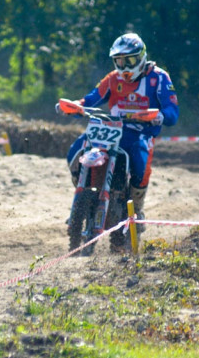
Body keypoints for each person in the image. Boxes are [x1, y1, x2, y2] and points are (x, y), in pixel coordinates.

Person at [60, 32, 179, 224]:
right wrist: (75, 106)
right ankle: (82, 202)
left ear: (141, 57)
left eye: (129, 60)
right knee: (75, 152)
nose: (124, 67)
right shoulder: (113, 78)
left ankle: (136, 210)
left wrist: (160, 115)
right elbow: (90, 100)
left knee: (140, 165)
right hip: (110, 128)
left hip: (140, 131)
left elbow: (172, 111)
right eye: (119, 61)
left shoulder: (159, 77)